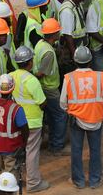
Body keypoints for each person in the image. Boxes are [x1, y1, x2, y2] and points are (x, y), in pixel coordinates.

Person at [61, 46, 103, 189]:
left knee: (76, 150)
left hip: (76, 120)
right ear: (90, 61)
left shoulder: (69, 78)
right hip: (96, 119)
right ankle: (95, 180)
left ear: (75, 61)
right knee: (95, 150)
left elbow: (63, 102)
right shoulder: (100, 76)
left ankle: (79, 181)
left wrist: (73, 110)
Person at [9, 46, 50, 192]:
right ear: (30, 62)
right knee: (31, 152)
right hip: (31, 122)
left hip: (15, 121)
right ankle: (33, 183)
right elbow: (42, 102)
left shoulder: (11, 76)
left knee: (16, 152)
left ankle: (12, 182)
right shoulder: (32, 80)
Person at [32, 18, 67, 156]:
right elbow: (41, 73)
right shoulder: (48, 53)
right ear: (54, 34)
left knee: (52, 116)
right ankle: (57, 146)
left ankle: (53, 142)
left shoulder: (40, 44)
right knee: (60, 115)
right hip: (50, 88)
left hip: (44, 87)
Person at [0, 75, 28, 174]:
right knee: (11, 174)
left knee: (3, 170)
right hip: (12, 146)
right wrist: (24, 143)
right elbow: (24, 129)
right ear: (13, 88)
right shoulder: (16, 109)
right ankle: (10, 188)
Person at [59, 0, 89, 69]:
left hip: (80, 48)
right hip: (73, 53)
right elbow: (68, 36)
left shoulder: (77, 4)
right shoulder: (68, 10)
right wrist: (75, 57)